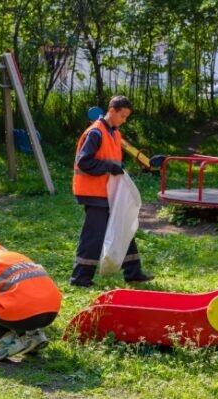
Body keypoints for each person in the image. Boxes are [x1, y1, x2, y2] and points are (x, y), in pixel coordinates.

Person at [70, 95, 154, 287]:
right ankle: (80, 279)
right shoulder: (96, 133)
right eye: (122, 116)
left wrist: (116, 166)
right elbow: (83, 161)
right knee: (93, 235)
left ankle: (133, 272)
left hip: (108, 191)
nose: (123, 120)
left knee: (123, 227)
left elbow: (110, 160)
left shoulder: (113, 133)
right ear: (112, 111)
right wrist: (109, 166)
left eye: (126, 117)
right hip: (94, 192)